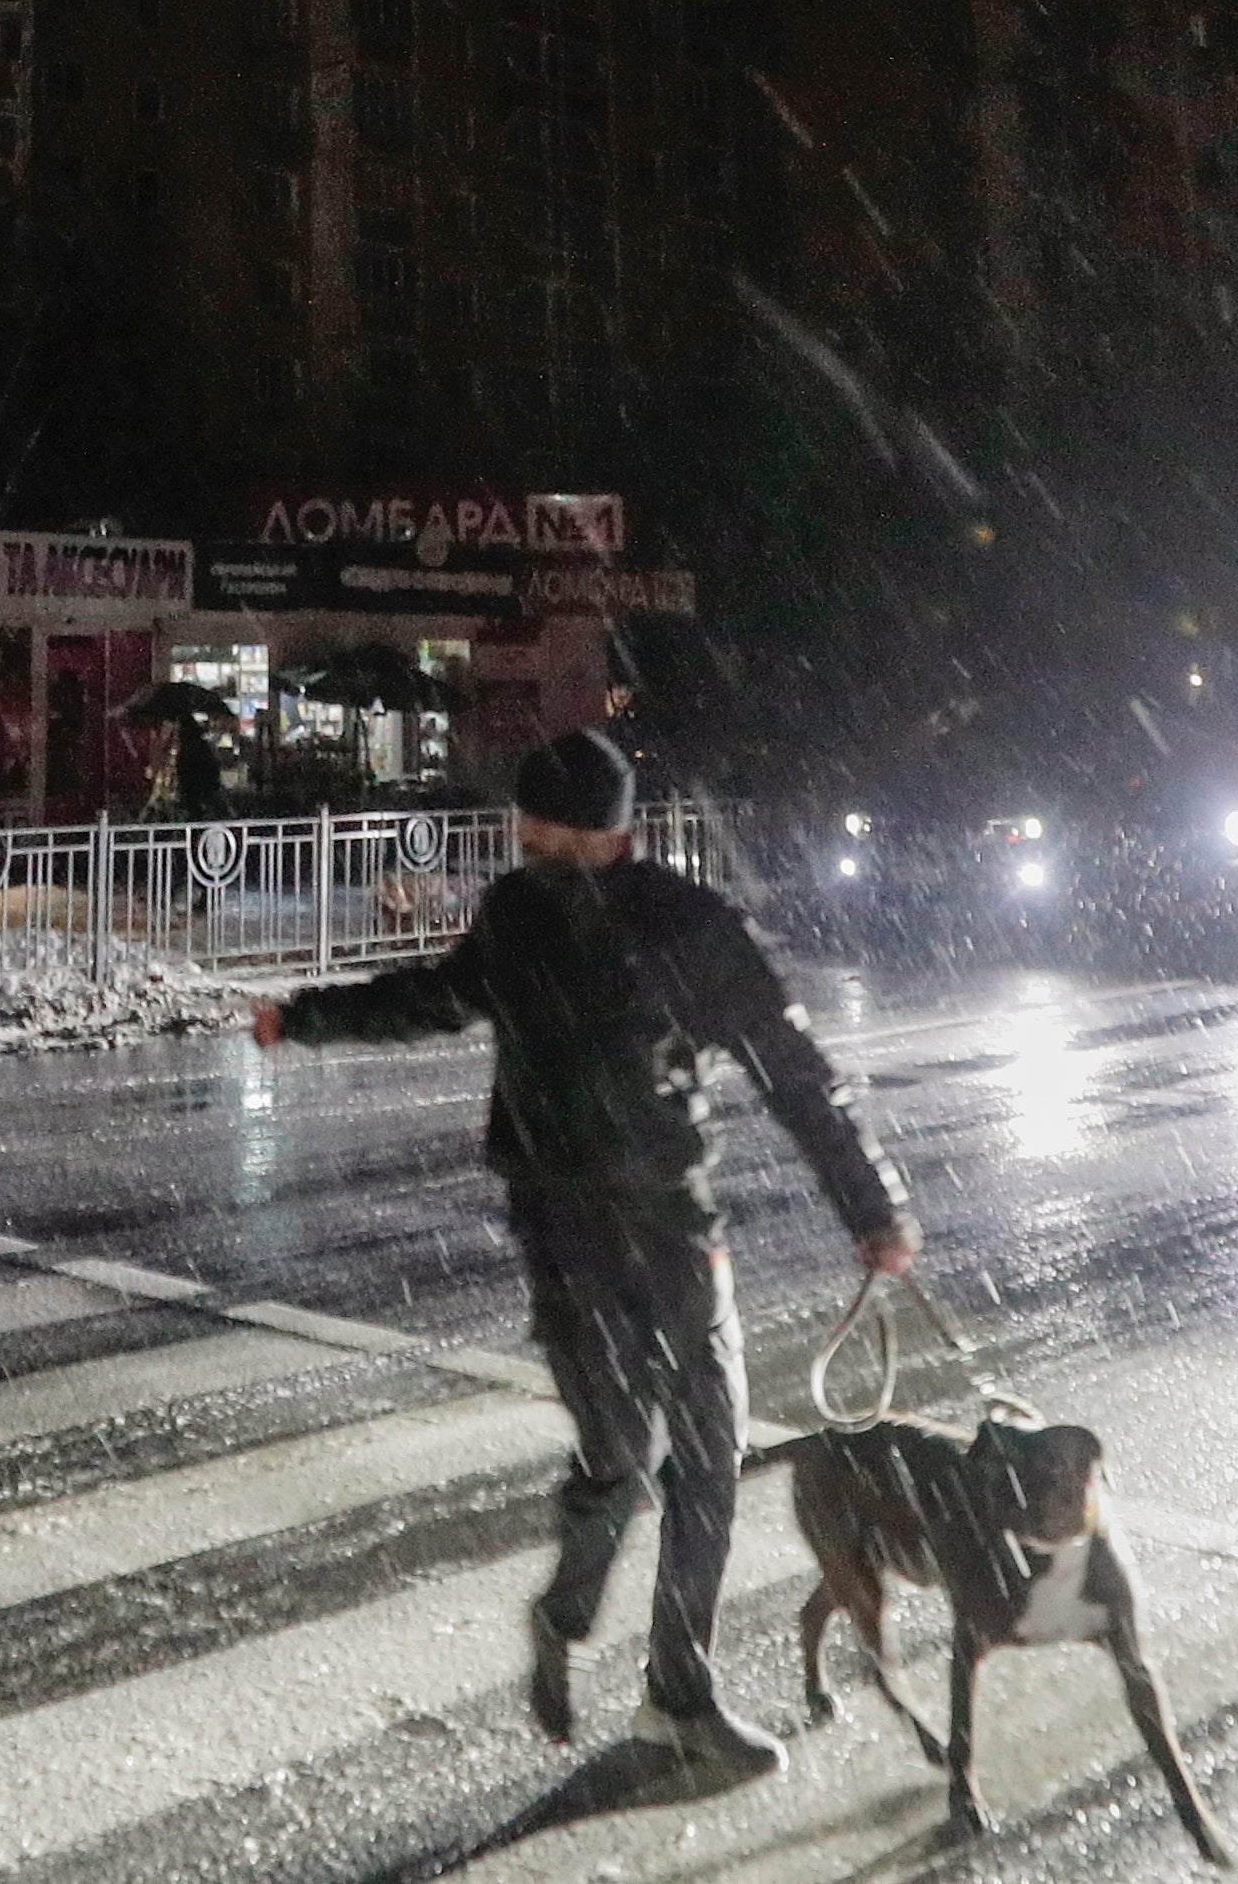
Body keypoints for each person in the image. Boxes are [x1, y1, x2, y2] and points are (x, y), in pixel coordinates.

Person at [254, 729, 916, 1789]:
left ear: (596, 829)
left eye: (538, 826)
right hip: (563, 1229)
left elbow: (795, 1069)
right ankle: (566, 1613)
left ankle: (678, 1696)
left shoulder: (686, 926)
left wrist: (870, 1201)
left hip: (666, 1227)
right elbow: (439, 993)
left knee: (704, 1452)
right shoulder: (520, 914)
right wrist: (306, 1016)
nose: (522, 841)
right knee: (617, 1452)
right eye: (522, 827)